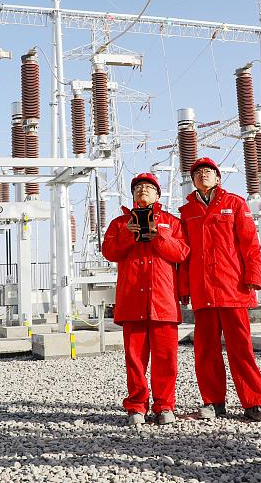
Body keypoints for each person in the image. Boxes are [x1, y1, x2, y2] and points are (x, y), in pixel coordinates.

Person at [178, 157, 261, 422]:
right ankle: (213, 402)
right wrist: (184, 286)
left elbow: (250, 244)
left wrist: (253, 277)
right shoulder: (187, 212)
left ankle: (253, 402)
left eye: (208, 171)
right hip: (203, 291)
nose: (203, 175)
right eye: (198, 173)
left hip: (233, 288)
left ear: (218, 178)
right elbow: (184, 254)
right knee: (205, 350)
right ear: (193, 181)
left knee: (241, 348)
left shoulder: (236, 204)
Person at [102, 172, 189, 426]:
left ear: (158, 195)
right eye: (138, 187)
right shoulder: (120, 224)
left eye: (149, 187)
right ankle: (137, 406)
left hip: (163, 301)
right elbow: (109, 252)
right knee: (135, 359)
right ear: (132, 194)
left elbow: (182, 253)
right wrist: (128, 234)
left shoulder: (171, 223)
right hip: (132, 301)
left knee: (166, 359)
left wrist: (159, 235)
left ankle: (165, 405)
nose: (143, 190)